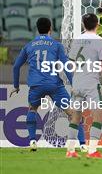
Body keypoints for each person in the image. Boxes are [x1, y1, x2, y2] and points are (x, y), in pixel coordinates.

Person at [11, 18, 75, 152]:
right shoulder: (56, 45)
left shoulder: (29, 45)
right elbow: (65, 65)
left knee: (32, 110)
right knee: (72, 113)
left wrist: (16, 85)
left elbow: (16, 66)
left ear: (37, 28)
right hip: (54, 85)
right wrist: (74, 83)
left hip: (36, 85)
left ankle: (33, 141)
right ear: (50, 28)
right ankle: (81, 144)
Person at [65, 13, 102, 159]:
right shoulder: (100, 41)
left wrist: (74, 81)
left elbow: (71, 64)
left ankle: (70, 151)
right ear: (98, 24)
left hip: (77, 83)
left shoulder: (77, 40)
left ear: (83, 25)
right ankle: (92, 151)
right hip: (91, 83)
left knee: (75, 117)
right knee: (99, 116)